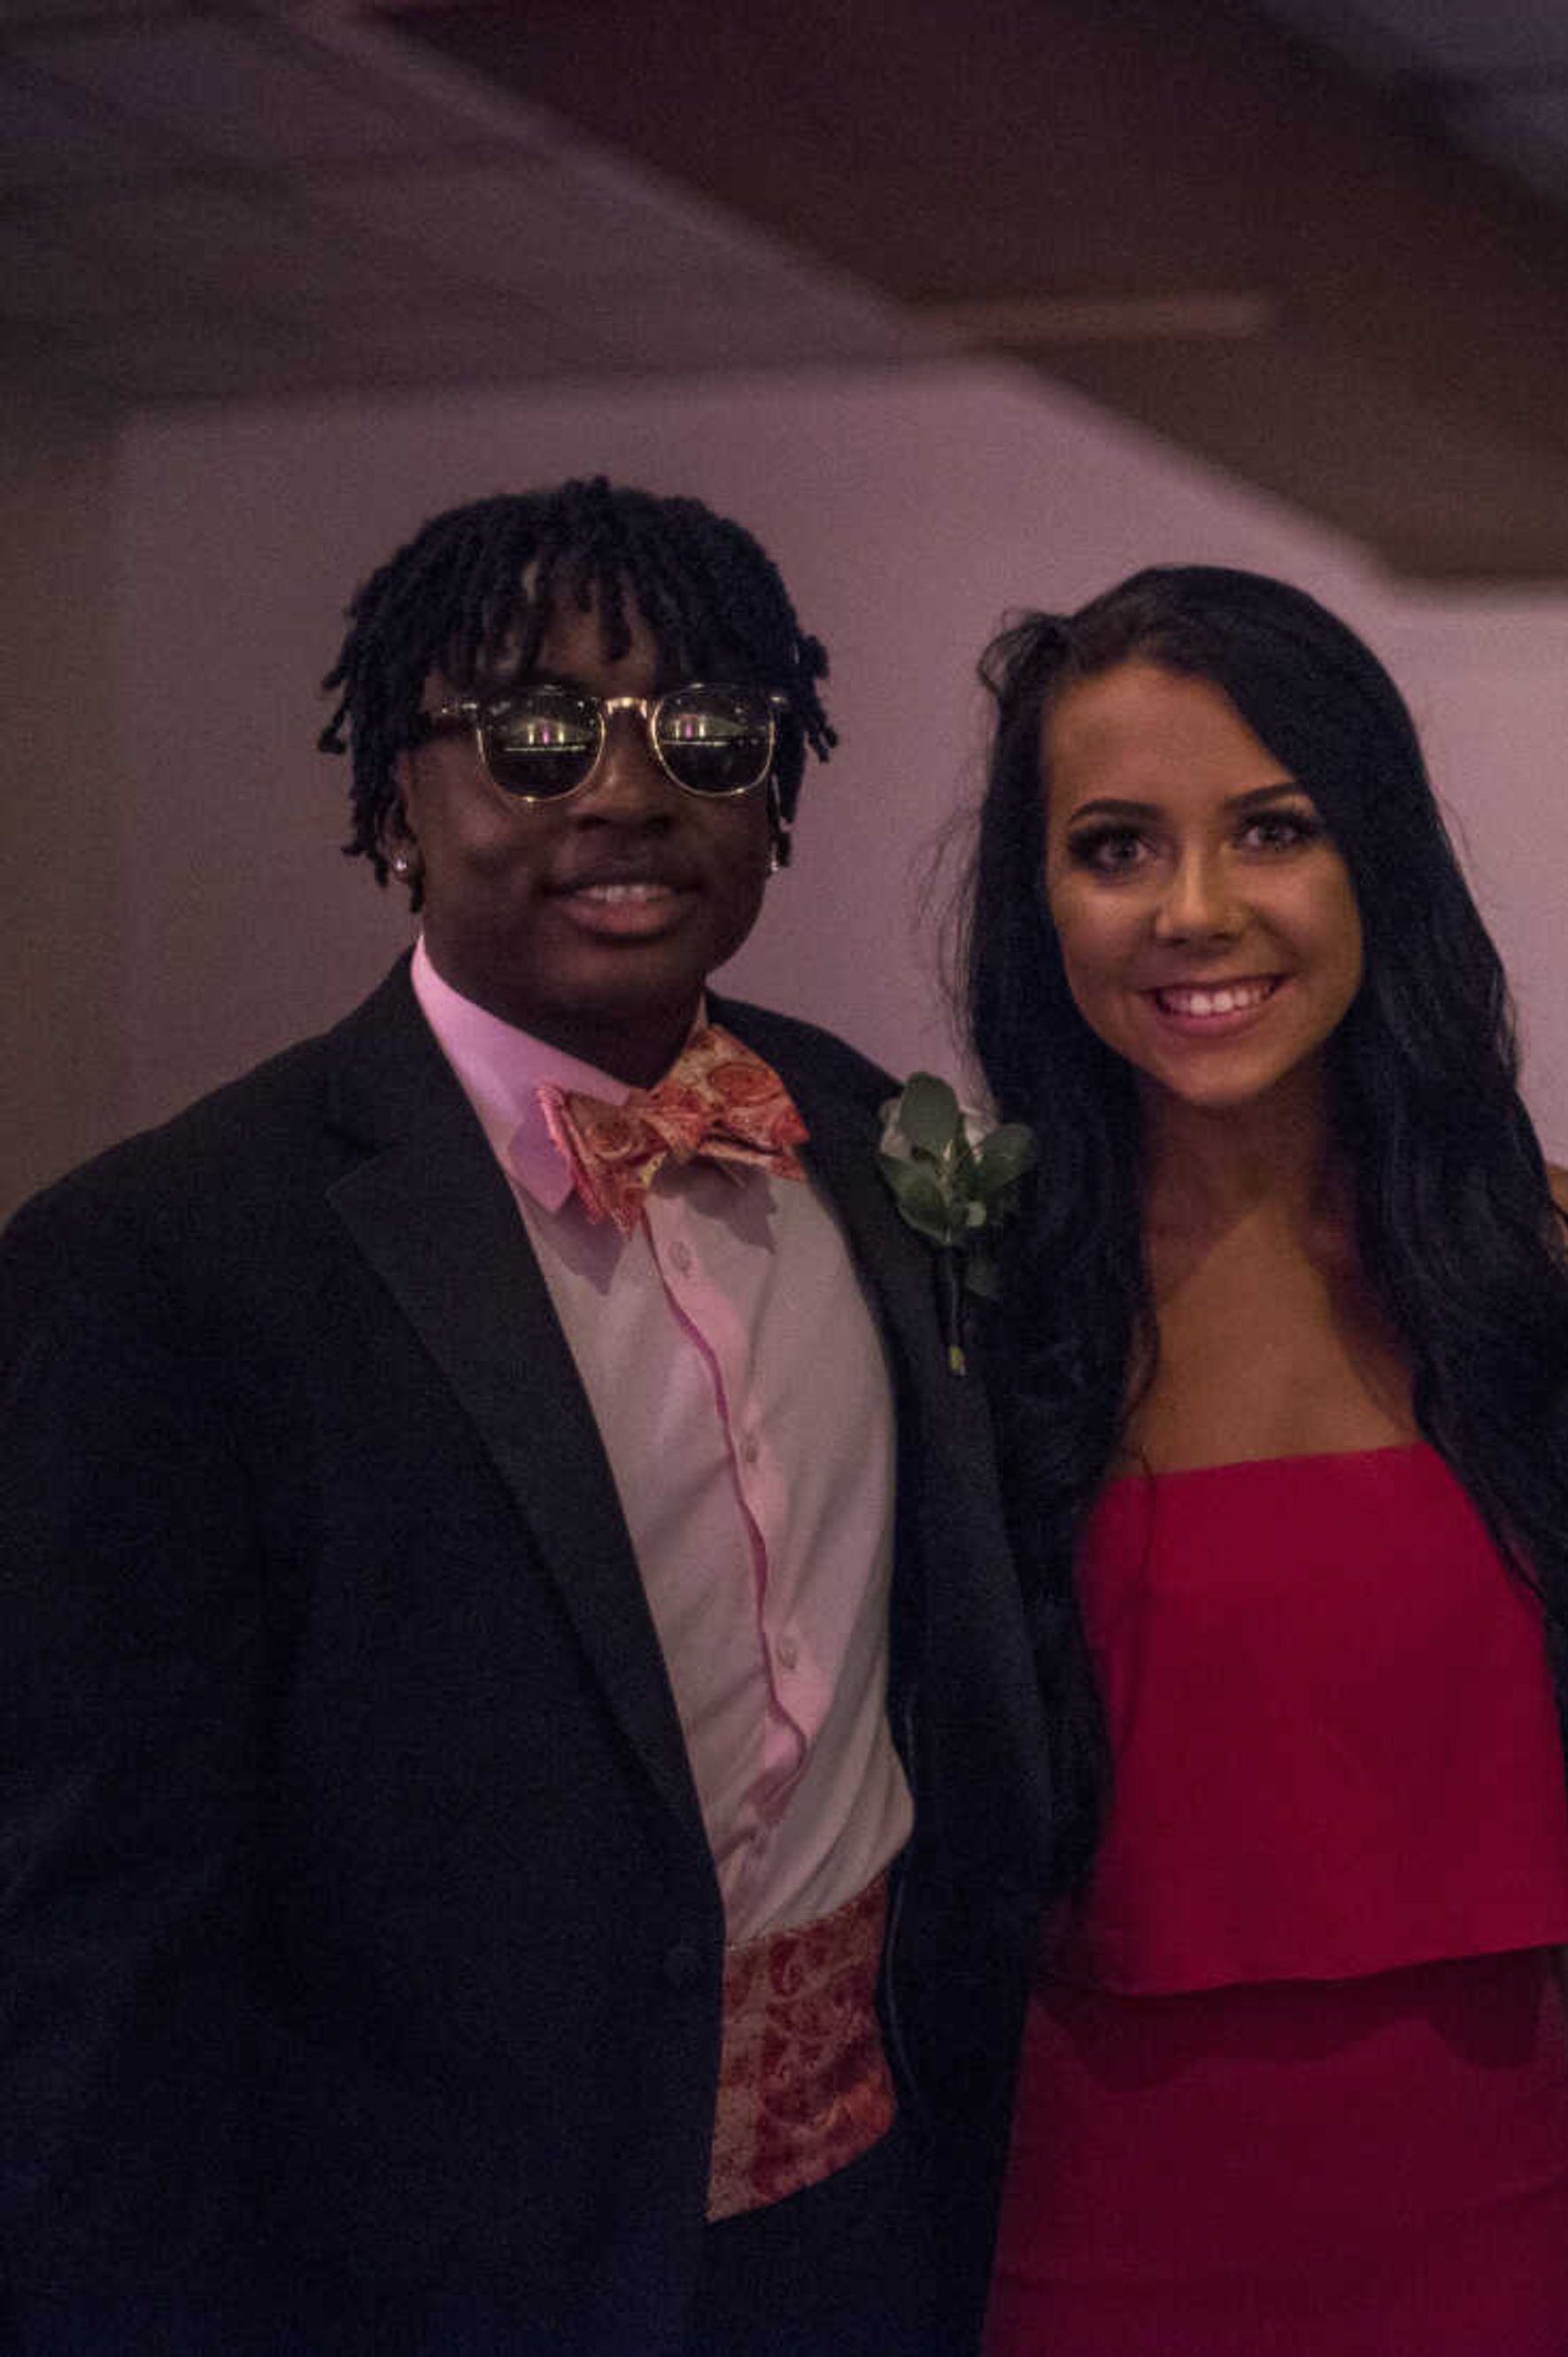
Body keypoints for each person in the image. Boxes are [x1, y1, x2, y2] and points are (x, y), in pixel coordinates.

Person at [0, 480, 1053, 2353]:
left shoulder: (871, 1137)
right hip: (442, 2269)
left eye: (705, 731)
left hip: (883, 2217)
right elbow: (98, 1945)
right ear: (400, 798)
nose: (625, 791)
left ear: (776, 787)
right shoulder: (165, 1259)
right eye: (535, 732)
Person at [957, 564, 1568, 2354]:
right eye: (1116, 847)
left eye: (1270, 829)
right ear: (1037, 898)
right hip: (1074, 2245)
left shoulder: (1557, 1258)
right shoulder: (969, 1296)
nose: (1196, 910)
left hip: (1488, 2236)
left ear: (1379, 865)